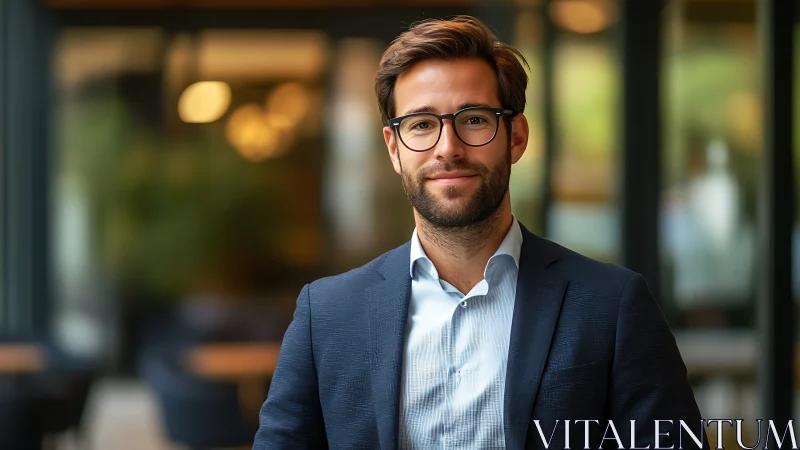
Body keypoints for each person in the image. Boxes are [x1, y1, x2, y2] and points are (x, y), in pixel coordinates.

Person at [254, 15, 707, 450]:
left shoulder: (613, 306)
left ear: (515, 136)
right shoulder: (327, 315)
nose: (447, 148)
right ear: (394, 149)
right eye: (422, 125)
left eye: (473, 119)